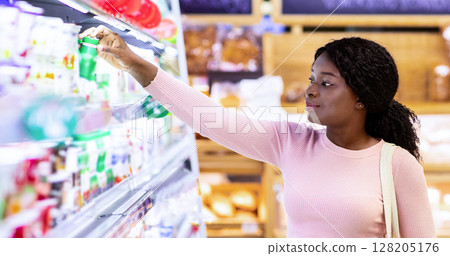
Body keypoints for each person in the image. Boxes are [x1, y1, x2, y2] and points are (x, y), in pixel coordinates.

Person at [79, 26, 436, 238]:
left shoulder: (398, 164)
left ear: (362, 98)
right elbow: (208, 118)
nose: (310, 90)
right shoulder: (291, 141)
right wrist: (133, 63)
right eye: (312, 79)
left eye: (326, 83)